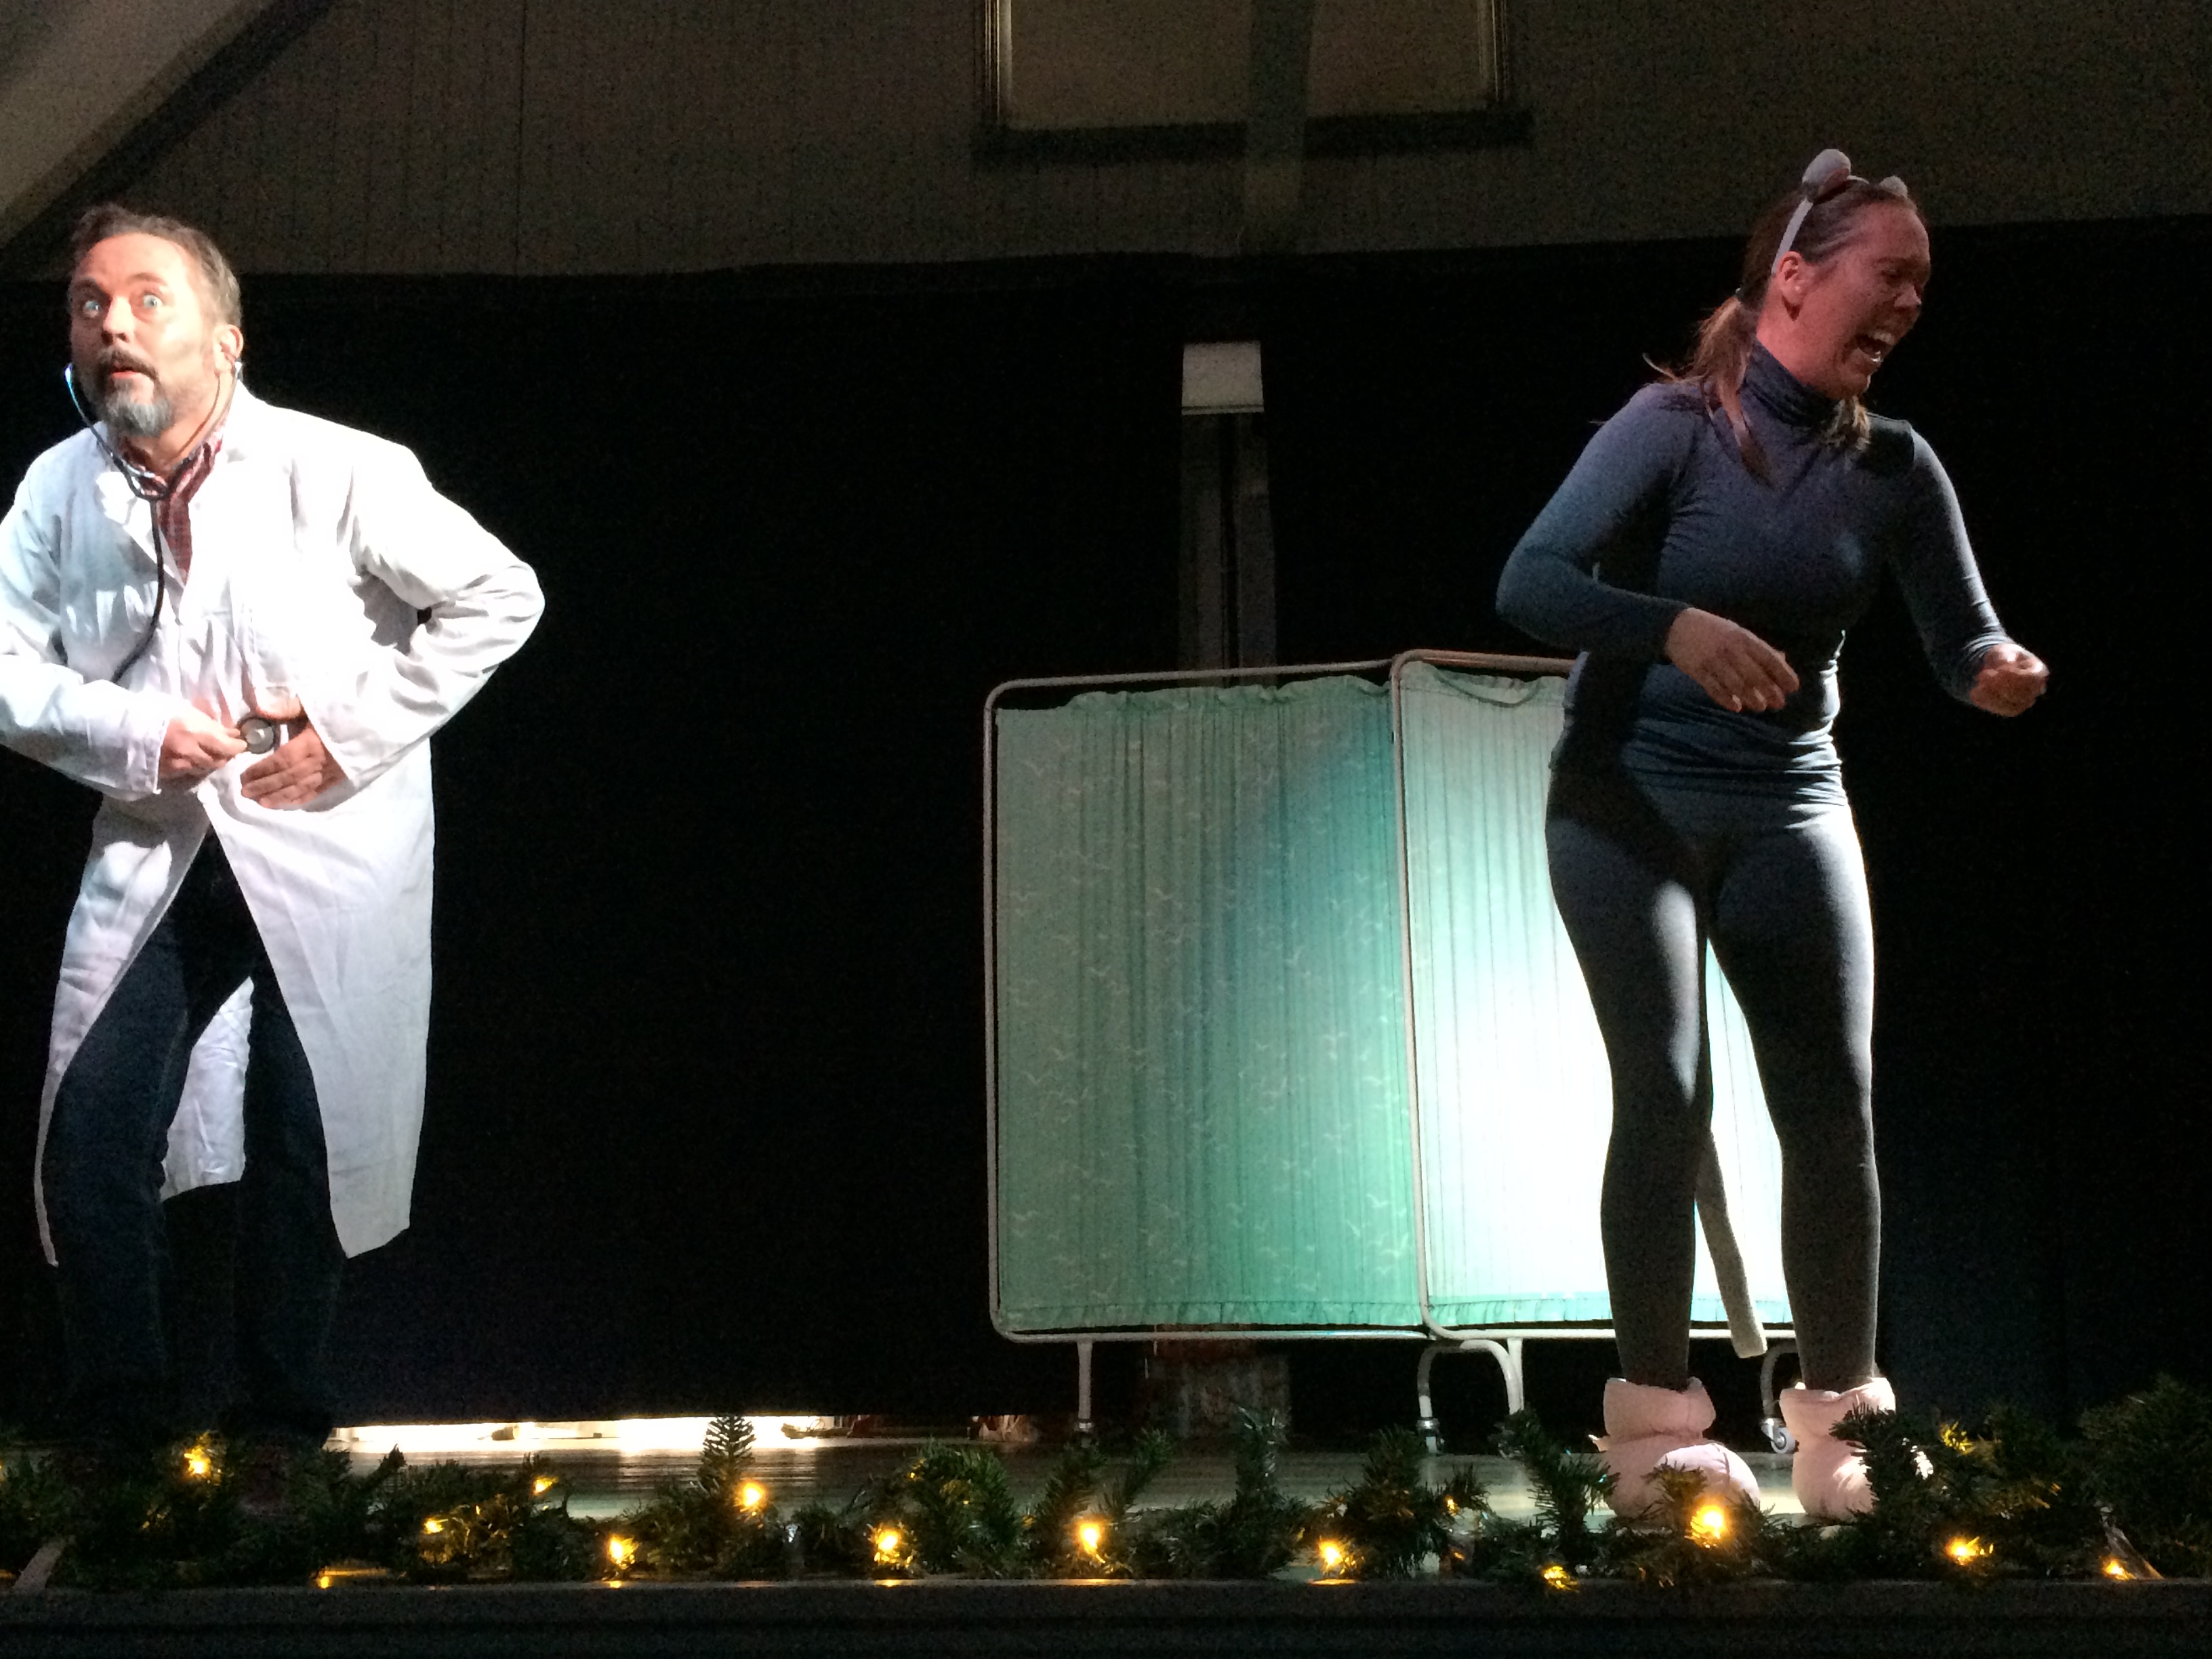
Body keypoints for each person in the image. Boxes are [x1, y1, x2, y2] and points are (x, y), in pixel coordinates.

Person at [1493, 150, 2047, 1520]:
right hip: (1629, 799)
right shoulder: (1674, 427)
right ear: (1794, 276)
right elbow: (1532, 580)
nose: (1910, 303)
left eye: (1923, 285)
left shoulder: (1895, 465)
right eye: (1891, 275)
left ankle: (1845, 1429)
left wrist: (1990, 667)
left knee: (1834, 1106)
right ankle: (1656, 1433)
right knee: (1667, 1092)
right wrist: (1672, 628)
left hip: (1791, 800)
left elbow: (1960, 631)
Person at [0, 205, 544, 1465]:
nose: (113, 324)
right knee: (92, 1128)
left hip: (324, 843)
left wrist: (347, 731)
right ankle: (121, 1435)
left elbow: (499, 593)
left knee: (305, 1135)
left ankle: (280, 1431)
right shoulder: (56, 490)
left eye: (148, 300)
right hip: (165, 848)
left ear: (226, 340)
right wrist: (135, 730)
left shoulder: (336, 468)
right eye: (89, 304)